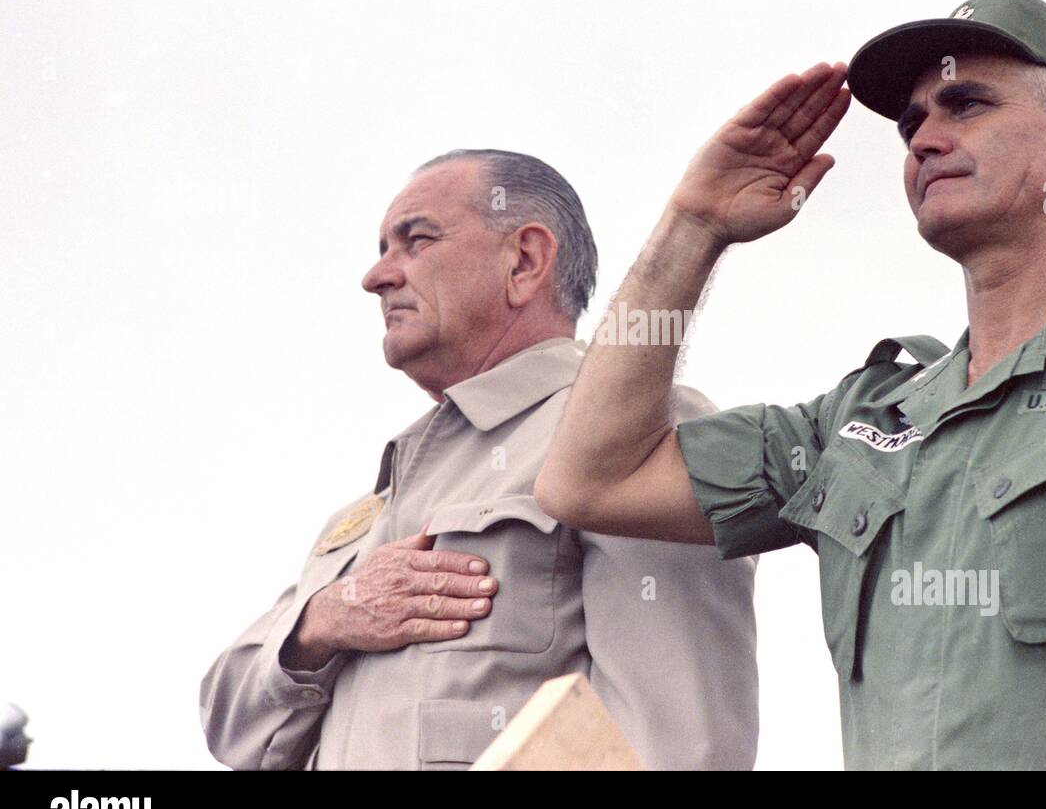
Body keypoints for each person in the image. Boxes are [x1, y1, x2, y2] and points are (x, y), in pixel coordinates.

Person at [537, 0, 1046, 769]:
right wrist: (694, 225)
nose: (925, 140)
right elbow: (591, 480)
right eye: (911, 125)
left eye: (966, 105)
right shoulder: (863, 421)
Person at [200, 149, 758, 770]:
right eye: (383, 248)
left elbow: (677, 742)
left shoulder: (636, 432)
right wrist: (325, 620)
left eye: (416, 241)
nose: (376, 276)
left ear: (523, 261)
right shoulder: (369, 510)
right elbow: (229, 724)